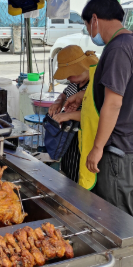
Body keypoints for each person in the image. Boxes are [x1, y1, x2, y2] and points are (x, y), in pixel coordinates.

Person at [77, 0, 133, 217]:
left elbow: (114, 103)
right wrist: (81, 98)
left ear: (95, 20)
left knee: (117, 219)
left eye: (87, 25)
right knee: (111, 215)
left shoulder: (118, 48)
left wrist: (97, 149)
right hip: (127, 144)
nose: (89, 32)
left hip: (117, 150)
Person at [48, 46, 98, 183]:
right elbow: (64, 94)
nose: (69, 78)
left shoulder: (95, 86)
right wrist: (58, 102)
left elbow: (93, 115)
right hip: (69, 140)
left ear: (82, 68)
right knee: (68, 174)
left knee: (80, 178)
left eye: (71, 74)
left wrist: (68, 116)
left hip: (85, 141)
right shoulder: (73, 84)